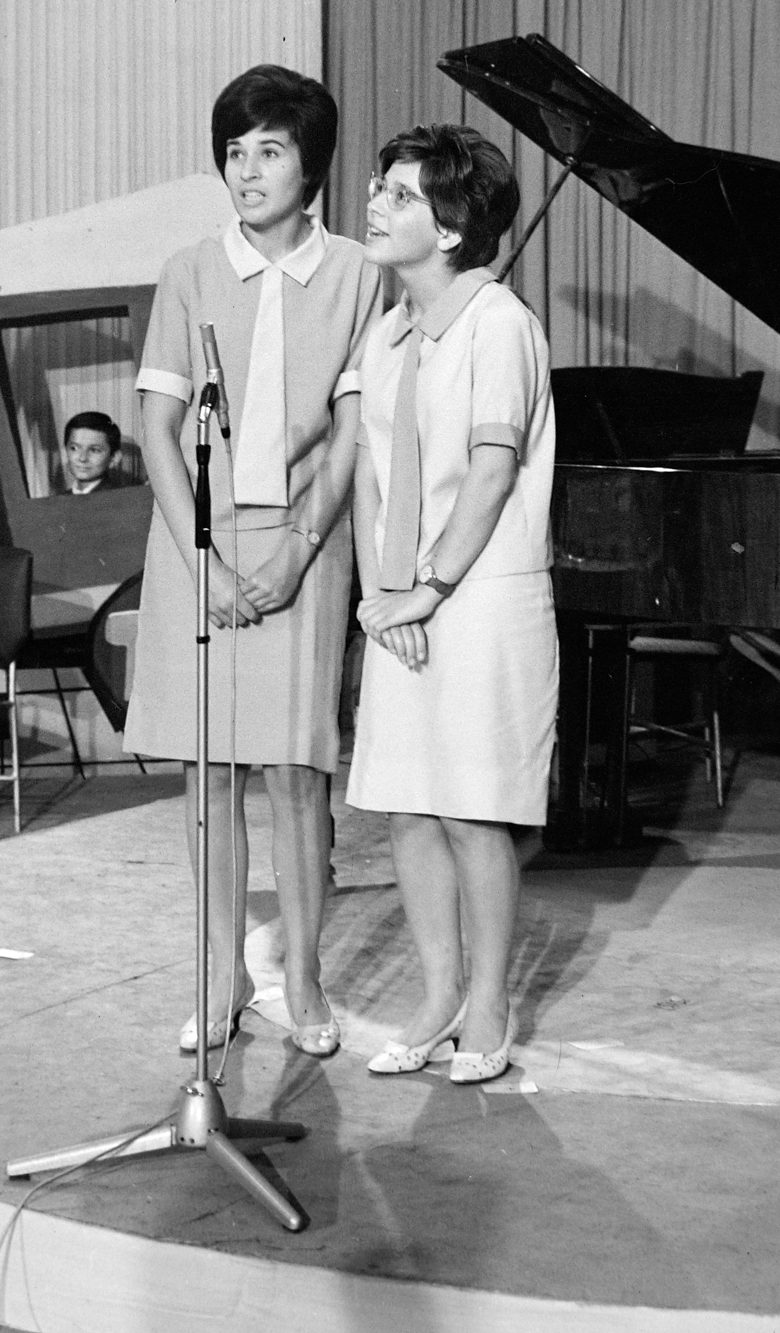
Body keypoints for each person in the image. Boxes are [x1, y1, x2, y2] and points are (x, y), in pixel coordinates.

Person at [122, 64, 383, 1058]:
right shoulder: (189, 269)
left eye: (269, 150)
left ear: (310, 165)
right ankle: (222, 972)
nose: (247, 170)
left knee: (296, 775)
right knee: (210, 776)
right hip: (197, 546)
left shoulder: (357, 274)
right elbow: (156, 428)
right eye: (234, 152)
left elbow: (353, 433)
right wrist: (205, 564)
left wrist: (298, 553)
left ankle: (303, 979)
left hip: (305, 547)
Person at [347, 124, 557, 1086]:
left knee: (473, 812)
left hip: (478, 598)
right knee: (407, 808)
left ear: (450, 228)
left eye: (399, 195)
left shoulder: (498, 323)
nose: (375, 204)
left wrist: (427, 590)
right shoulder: (388, 334)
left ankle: (489, 1005)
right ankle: (436, 997)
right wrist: (381, 596)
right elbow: (370, 477)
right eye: (379, 188)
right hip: (404, 598)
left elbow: (490, 471)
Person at [59, 411, 128, 494]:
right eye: (74, 448)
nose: (82, 458)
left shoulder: (122, 498)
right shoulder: (59, 499)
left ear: (114, 458)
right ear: (65, 451)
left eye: (94, 450)